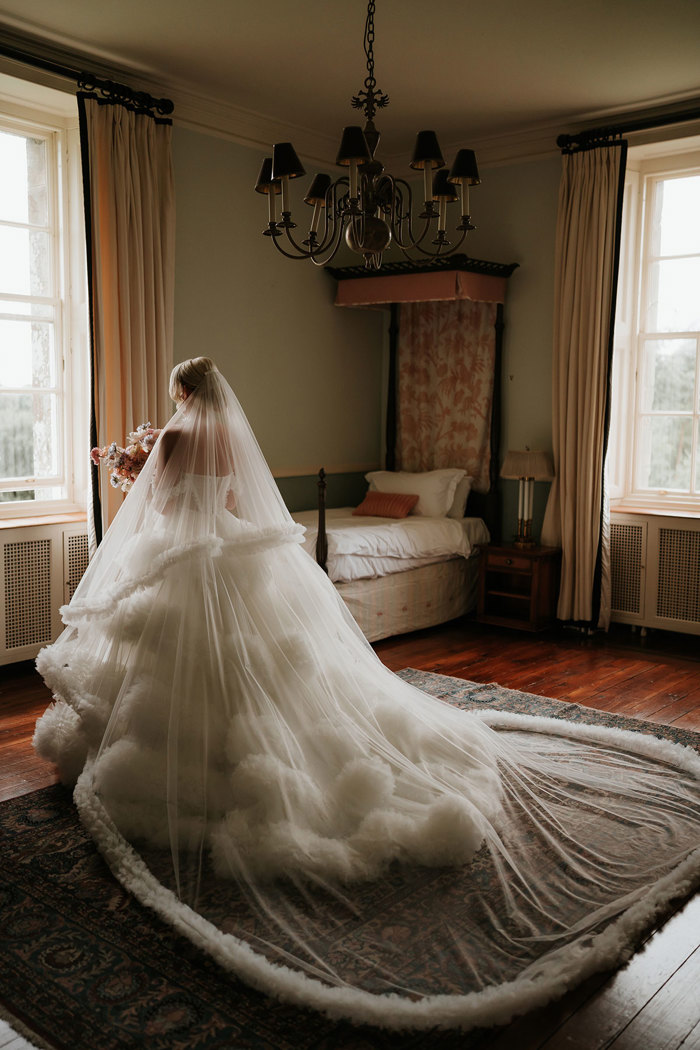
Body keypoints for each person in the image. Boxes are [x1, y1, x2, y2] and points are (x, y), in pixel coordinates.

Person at [34, 358, 700, 1031]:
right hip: (229, 553)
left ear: (182, 393)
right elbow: (232, 503)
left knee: (175, 661)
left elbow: (163, 504)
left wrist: (131, 472)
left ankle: (182, 754)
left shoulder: (174, 441)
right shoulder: (231, 437)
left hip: (185, 555)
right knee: (264, 666)